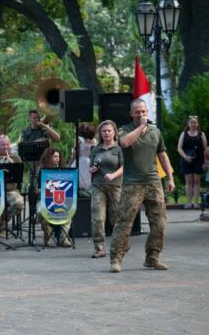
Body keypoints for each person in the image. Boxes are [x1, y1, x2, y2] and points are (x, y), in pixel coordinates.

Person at [109, 99, 174, 273]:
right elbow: (124, 143)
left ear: (147, 112)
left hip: (153, 182)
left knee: (159, 222)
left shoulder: (155, 132)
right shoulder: (125, 130)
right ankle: (116, 258)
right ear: (131, 114)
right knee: (124, 222)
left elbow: (162, 155)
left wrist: (170, 178)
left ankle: (152, 257)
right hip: (133, 184)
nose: (141, 115)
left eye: (144, 112)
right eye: (137, 112)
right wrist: (141, 127)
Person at [88, 120, 123, 258]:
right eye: (104, 131)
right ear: (100, 133)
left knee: (116, 217)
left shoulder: (119, 148)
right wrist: (92, 169)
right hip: (98, 186)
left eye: (109, 130)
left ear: (114, 132)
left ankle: (118, 246)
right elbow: (91, 167)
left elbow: (124, 167)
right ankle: (99, 247)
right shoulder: (96, 149)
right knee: (97, 217)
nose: (107, 133)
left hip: (115, 186)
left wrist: (113, 175)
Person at [0, 135, 24, 247]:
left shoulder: (16, 158)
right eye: (3, 145)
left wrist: (12, 164)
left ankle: (2, 224)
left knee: (18, 203)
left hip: (10, 190)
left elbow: (19, 177)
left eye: (7, 144)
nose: (6, 147)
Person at [35, 148, 71, 247]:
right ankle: (47, 235)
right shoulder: (40, 171)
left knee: (69, 210)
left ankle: (63, 239)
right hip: (44, 200)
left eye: (58, 156)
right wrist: (41, 190)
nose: (57, 159)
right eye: (55, 156)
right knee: (41, 212)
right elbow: (36, 190)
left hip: (60, 199)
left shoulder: (63, 170)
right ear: (48, 158)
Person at [177, 116, 207, 209]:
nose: (193, 124)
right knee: (189, 182)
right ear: (188, 124)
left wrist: (205, 162)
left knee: (197, 182)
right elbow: (179, 148)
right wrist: (185, 157)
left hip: (199, 160)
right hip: (187, 160)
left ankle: (196, 203)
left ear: (197, 124)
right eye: (191, 122)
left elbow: (205, 150)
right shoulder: (184, 134)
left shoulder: (201, 134)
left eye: (195, 122)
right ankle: (189, 202)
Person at [71, 124, 97, 195]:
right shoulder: (94, 140)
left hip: (80, 160)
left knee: (78, 179)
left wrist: (70, 163)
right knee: (87, 178)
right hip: (88, 161)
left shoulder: (80, 140)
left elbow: (75, 154)